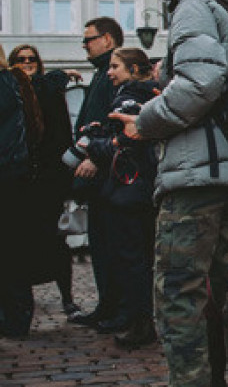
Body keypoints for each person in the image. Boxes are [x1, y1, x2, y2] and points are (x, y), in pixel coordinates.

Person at [110, 0, 228, 384]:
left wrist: (144, 121)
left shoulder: (194, 5)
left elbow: (201, 84)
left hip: (196, 176)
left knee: (178, 295)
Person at [81, 47, 159, 349]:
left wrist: (95, 145)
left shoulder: (131, 98)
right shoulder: (144, 94)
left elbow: (127, 143)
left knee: (131, 259)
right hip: (134, 189)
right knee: (135, 258)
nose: (110, 72)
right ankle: (136, 319)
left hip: (130, 188)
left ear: (134, 69)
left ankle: (139, 322)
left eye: (115, 66)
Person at [8, 45, 82, 319]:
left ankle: (67, 298)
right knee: (20, 244)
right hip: (19, 183)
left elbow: (62, 132)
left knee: (55, 242)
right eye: (20, 60)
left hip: (47, 182)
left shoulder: (49, 88)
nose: (27, 63)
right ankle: (22, 303)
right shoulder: (11, 90)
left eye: (31, 59)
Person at [70, 17, 125, 331]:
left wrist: (95, 156)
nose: (84, 44)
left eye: (88, 39)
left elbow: (109, 122)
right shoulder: (101, 73)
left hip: (106, 172)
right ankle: (107, 306)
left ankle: (115, 308)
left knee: (110, 245)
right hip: (98, 172)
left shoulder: (110, 74)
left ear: (106, 39)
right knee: (101, 244)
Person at [0, 46, 43, 337]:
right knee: (12, 248)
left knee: (10, 249)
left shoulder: (6, 83)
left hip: (8, 174)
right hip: (14, 173)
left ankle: (14, 318)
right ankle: (16, 317)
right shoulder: (12, 83)